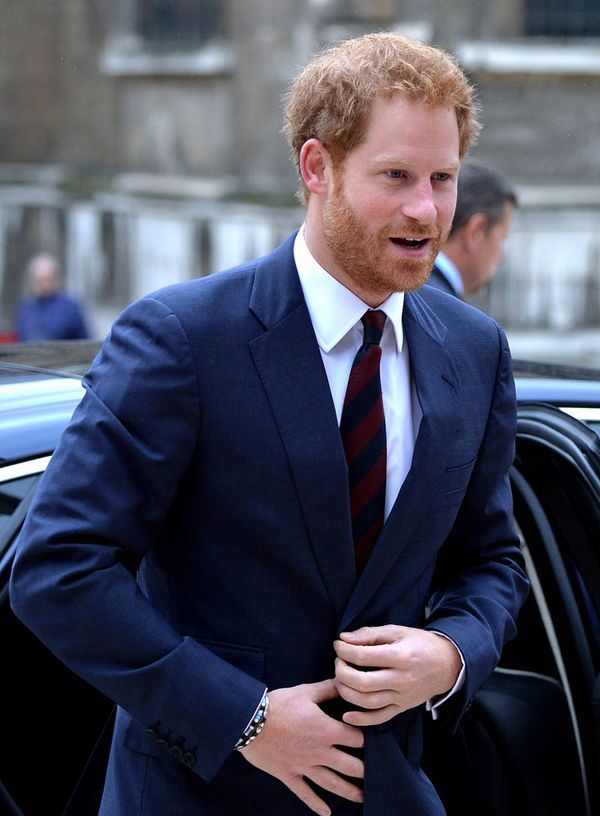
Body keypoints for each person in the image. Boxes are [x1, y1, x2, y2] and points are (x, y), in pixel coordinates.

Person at [9, 32, 529, 816]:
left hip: (388, 792)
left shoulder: (476, 349)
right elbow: (57, 569)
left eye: (443, 178)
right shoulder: (183, 339)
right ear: (317, 167)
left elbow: (492, 562)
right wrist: (243, 719)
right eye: (396, 176)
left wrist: (451, 653)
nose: (427, 210)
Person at [427, 159, 517, 298]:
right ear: (476, 232)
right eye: (501, 239)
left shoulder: (404, 292)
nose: (500, 258)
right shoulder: (440, 306)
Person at [15, 253, 88, 341]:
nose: (45, 285)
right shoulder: (26, 308)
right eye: (40, 280)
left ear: (56, 279)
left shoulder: (69, 307)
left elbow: (84, 340)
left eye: (49, 279)